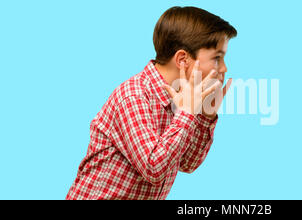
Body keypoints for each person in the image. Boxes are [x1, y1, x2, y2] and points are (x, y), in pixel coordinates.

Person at [66, 6, 237, 200]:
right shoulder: (134, 95)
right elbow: (154, 168)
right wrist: (188, 112)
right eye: (217, 58)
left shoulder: (182, 99)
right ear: (182, 60)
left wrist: (206, 116)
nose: (224, 68)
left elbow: (187, 163)